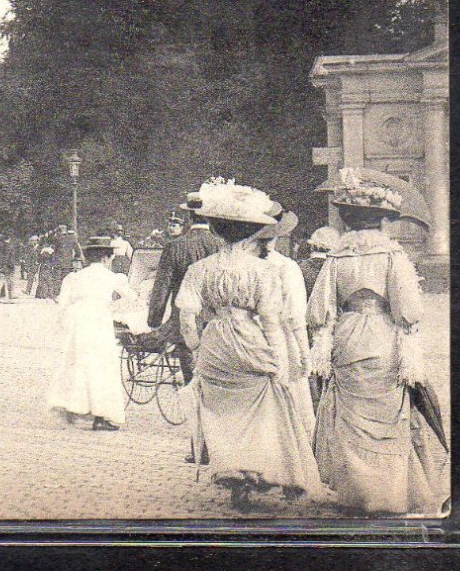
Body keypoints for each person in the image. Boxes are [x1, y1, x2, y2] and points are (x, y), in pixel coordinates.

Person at [307, 171, 445, 516]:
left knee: (352, 417)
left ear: (349, 222)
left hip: (347, 337)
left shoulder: (337, 257)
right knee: (387, 415)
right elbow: (409, 311)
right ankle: (387, 493)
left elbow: (317, 311)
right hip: (382, 337)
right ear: (381, 220)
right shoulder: (391, 255)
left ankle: (356, 493)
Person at [176, 181, 321, 509]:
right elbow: (271, 321)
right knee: (256, 411)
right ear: (253, 233)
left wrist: (197, 347)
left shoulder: (199, 270)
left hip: (215, 343)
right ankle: (254, 468)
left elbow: (187, 316)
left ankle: (232, 469)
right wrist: (278, 359)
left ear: (216, 230)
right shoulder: (263, 271)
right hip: (250, 341)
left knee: (222, 412)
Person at [46, 235, 135, 430]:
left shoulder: (74, 277)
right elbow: (131, 299)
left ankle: (75, 405)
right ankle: (100, 415)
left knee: (78, 364)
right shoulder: (112, 277)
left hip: (79, 325)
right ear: (106, 258)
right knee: (101, 367)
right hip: (99, 324)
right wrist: (112, 308)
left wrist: (68, 323)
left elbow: (62, 305)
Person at [146, 194, 224, 384]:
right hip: (216, 320)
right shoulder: (221, 245)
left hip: (184, 320)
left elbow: (161, 287)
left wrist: (154, 320)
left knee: (191, 377)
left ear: (189, 217)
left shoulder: (175, 247)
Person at [259, 204, 314, 435]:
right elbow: (295, 316)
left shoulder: (234, 263)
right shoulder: (286, 267)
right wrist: (305, 354)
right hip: (280, 343)